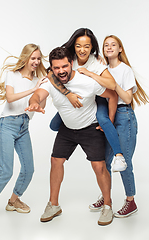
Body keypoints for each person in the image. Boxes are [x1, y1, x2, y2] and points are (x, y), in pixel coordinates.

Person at [25, 47, 117, 226]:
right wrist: (34, 103)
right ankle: (53, 205)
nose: (61, 71)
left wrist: (109, 122)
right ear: (51, 68)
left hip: (90, 128)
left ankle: (107, 205)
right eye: (56, 68)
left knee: (99, 167)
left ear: (71, 63)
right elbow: (37, 95)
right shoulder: (50, 83)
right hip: (67, 129)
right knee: (55, 161)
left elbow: (112, 95)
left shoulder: (87, 82)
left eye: (64, 66)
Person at [0, 44, 47, 227]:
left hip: (23, 126)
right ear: (26, 58)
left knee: (29, 169)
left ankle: (13, 201)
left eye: (38, 59)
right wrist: (34, 89)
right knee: (5, 171)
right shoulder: (12, 75)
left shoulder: (39, 80)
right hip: (7, 125)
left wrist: (42, 94)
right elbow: (10, 98)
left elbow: (40, 104)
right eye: (33, 58)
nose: (36, 62)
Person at [48, 28, 127, 172]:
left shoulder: (95, 62)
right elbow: (50, 74)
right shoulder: (68, 57)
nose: (82, 50)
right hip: (75, 101)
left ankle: (119, 156)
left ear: (92, 47)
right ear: (73, 46)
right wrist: (68, 94)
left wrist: (90, 73)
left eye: (86, 46)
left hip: (96, 97)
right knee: (53, 125)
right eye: (78, 45)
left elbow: (112, 86)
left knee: (103, 119)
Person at [91, 35, 149, 217]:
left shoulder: (125, 70)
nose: (109, 47)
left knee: (124, 161)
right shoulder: (103, 69)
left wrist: (113, 84)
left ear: (119, 49)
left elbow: (127, 98)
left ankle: (130, 202)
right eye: (106, 45)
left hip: (124, 116)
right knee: (106, 161)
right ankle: (106, 196)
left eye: (113, 45)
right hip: (110, 116)